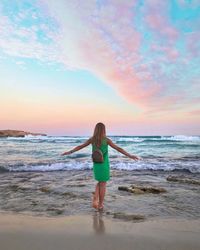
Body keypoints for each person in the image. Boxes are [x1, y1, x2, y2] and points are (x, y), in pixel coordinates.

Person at [61, 122, 140, 210]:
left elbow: (81, 146)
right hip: (104, 165)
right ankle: (100, 204)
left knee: (99, 182)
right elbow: (118, 148)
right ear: (104, 130)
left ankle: (95, 198)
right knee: (103, 184)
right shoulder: (106, 140)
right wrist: (129, 155)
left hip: (96, 164)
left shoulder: (92, 139)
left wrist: (69, 152)